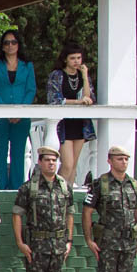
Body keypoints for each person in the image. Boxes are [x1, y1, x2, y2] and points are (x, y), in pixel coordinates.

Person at [12, 147, 74, 272]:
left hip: (58, 244)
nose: (51, 163)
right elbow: (17, 215)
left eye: (54, 160)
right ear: (40, 163)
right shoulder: (29, 187)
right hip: (37, 244)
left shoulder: (64, 187)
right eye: (47, 160)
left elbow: (70, 214)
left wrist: (69, 241)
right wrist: (20, 242)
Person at [83, 146, 137, 272]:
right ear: (110, 161)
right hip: (107, 242)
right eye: (119, 158)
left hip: (128, 243)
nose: (123, 162)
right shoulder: (100, 184)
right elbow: (87, 211)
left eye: (126, 159)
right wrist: (89, 239)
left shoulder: (133, 185)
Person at [0, 29, 36, 190]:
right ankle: (0, 186)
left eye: (14, 42)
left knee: (18, 153)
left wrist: (20, 111)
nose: (10, 45)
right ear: (2, 46)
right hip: (0, 116)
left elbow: (31, 90)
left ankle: (16, 187)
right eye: (6, 42)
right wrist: (4, 111)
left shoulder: (27, 66)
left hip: (22, 116)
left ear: (19, 45)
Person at [46, 43, 95, 188]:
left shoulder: (82, 76)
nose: (76, 61)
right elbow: (54, 99)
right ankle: (56, 192)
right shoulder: (57, 75)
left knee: (74, 165)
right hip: (63, 124)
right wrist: (77, 102)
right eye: (72, 58)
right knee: (66, 164)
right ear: (65, 59)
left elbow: (89, 98)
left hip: (80, 124)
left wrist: (85, 77)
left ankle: (68, 197)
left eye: (79, 58)